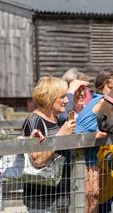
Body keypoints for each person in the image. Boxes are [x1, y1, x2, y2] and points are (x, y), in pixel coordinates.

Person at [21, 76, 76, 212]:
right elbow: (37, 159)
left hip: (62, 193)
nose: (67, 100)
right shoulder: (34, 121)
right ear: (49, 97)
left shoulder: (58, 120)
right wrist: (61, 135)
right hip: (41, 198)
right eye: (62, 97)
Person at [74, 69, 113, 213]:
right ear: (102, 86)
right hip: (82, 152)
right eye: (110, 88)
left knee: (94, 193)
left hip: (92, 152)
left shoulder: (99, 100)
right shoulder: (102, 101)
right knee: (87, 194)